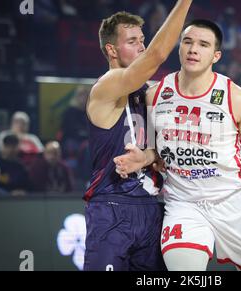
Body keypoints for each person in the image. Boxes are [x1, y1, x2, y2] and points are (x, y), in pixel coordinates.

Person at [114, 19, 241, 271]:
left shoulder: (238, 99)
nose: (193, 49)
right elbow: (158, 150)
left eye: (203, 44)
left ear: (215, 55)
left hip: (234, 202)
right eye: (188, 42)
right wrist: (144, 158)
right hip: (184, 204)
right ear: (179, 47)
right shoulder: (154, 95)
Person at [83, 1, 193, 271]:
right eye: (132, 41)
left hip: (152, 207)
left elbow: (163, 150)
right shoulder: (105, 87)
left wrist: (147, 157)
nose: (142, 46)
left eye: (143, 40)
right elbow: (156, 57)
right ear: (111, 49)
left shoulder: (151, 92)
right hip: (112, 206)